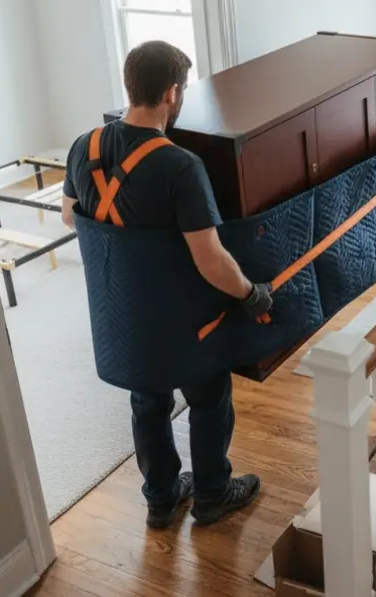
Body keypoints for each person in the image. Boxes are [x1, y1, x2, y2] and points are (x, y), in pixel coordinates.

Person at [60, 40, 267, 528]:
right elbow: (211, 259)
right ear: (172, 92)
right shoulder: (180, 166)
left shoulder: (83, 146)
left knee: (147, 399)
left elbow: (72, 217)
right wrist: (250, 294)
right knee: (209, 395)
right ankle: (213, 494)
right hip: (180, 317)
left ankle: (160, 496)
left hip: (121, 314)